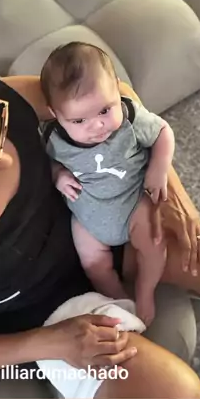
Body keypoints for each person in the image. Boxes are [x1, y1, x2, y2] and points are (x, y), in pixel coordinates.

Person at [0, 70, 200, 399]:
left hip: (90, 227)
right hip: (42, 313)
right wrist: (46, 343)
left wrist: (169, 193)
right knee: (179, 395)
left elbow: (118, 95)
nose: (6, 159)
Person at [40, 41, 186, 327]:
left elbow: (163, 132)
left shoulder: (130, 118)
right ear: (55, 114)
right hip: (87, 218)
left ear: (118, 89)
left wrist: (158, 169)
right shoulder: (52, 139)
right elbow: (41, 161)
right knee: (92, 263)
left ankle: (145, 291)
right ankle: (119, 299)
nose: (97, 126)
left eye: (105, 110)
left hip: (133, 202)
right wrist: (56, 174)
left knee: (155, 244)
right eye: (79, 120)